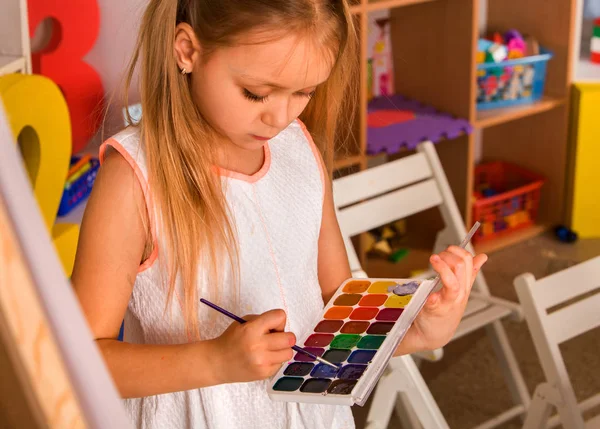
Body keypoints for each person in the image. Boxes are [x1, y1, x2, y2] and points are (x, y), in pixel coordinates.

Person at [71, 1, 488, 428]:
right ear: (187, 51)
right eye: (256, 92)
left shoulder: (297, 148)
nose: (280, 116)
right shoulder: (135, 178)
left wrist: (418, 330)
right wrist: (215, 361)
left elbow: (336, 311)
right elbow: (78, 362)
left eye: (304, 92)